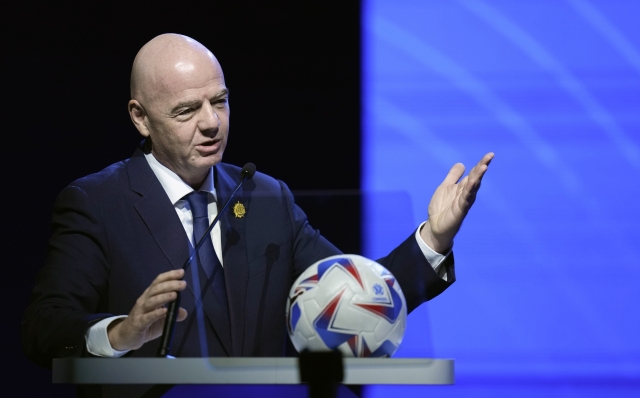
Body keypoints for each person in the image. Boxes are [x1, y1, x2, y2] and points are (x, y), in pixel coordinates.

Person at [21, 33, 493, 395]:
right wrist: (120, 333)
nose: (211, 122)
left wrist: (432, 239)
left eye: (220, 101)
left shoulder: (265, 197)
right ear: (141, 117)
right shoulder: (98, 202)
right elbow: (45, 327)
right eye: (187, 110)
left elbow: (356, 300)